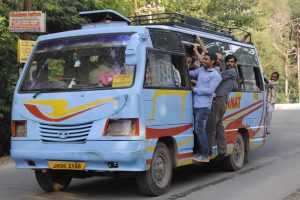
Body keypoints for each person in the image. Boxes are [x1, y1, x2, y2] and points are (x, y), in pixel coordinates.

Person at [189, 52, 222, 162]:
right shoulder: (201, 70)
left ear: (212, 61)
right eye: (203, 59)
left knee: (200, 131)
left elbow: (209, 91)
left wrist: (194, 89)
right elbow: (192, 73)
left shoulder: (216, 75)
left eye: (206, 59)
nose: (203, 61)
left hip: (204, 106)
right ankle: (201, 152)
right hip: (196, 104)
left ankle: (204, 155)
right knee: (196, 130)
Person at [206, 54, 238, 157]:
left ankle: (208, 150)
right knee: (219, 126)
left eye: (232, 62)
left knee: (211, 126)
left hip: (219, 99)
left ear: (235, 63)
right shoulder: (228, 72)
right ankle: (222, 150)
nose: (230, 63)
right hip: (221, 100)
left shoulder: (232, 72)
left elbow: (218, 77)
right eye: (228, 61)